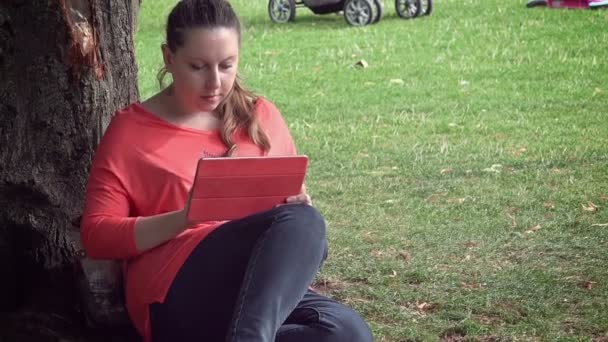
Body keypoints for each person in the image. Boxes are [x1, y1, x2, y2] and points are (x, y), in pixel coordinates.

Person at [80, 0, 374, 341]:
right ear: (167, 57)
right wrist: (184, 217)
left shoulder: (261, 117)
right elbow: (97, 236)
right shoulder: (131, 131)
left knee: (347, 332)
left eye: (226, 66)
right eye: (198, 66)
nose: (215, 82)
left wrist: (295, 204)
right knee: (303, 222)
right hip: (176, 292)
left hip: (257, 291)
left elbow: (289, 225)